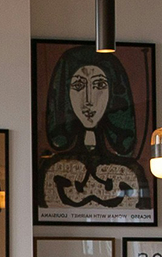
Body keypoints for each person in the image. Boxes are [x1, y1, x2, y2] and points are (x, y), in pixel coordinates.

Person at [36, 43, 150, 214]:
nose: (89, 100)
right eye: (78, 86)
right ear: (64, 93)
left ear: (114, 92)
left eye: (99, 86)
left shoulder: (130, 173)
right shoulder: (52, 169)